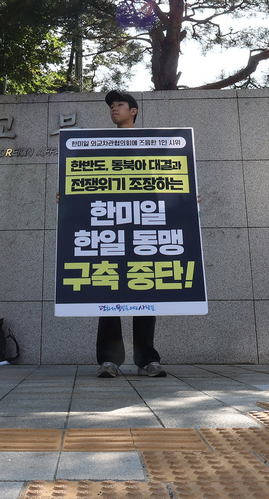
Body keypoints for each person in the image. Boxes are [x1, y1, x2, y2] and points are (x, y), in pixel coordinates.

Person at [95, 90, 166, 379]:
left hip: (143, 226)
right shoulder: (99, 144)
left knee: (144, 290)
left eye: (120, 105)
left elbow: (165, 177)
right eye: (112, 105)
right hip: (110, 226)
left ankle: (147, 359)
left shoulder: (151, 142)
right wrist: (70, 195)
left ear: (133, 111)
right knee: (109, 290)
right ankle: (109, 361)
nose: (114, 108)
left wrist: (186, 196)